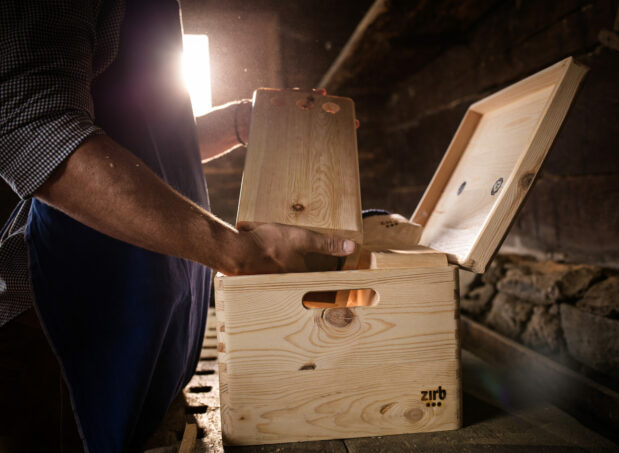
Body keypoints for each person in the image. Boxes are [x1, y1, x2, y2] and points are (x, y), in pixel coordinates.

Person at [0, 1, 355, 452]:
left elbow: (136, 140)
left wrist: (238, 123)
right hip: (60, 342)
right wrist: (237, 251)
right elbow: (33, 127)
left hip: (149, 332)